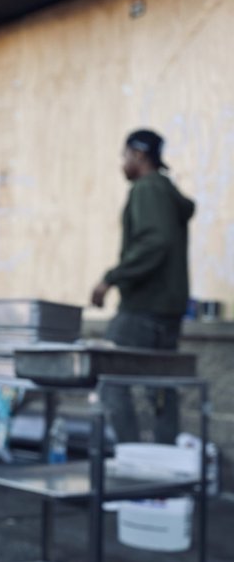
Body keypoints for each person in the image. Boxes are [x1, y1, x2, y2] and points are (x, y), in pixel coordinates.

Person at [90, 128, 195, 444]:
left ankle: (129, 456)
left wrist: (111, 277)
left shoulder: (147, 189)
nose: (122, 163)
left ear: (138, 155)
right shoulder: (166, 190)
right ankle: (163, 463)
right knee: (161, 387)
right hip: (168, 310)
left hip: (142, 307)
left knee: (109, 380)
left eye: (124, 155)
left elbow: (155, 241)